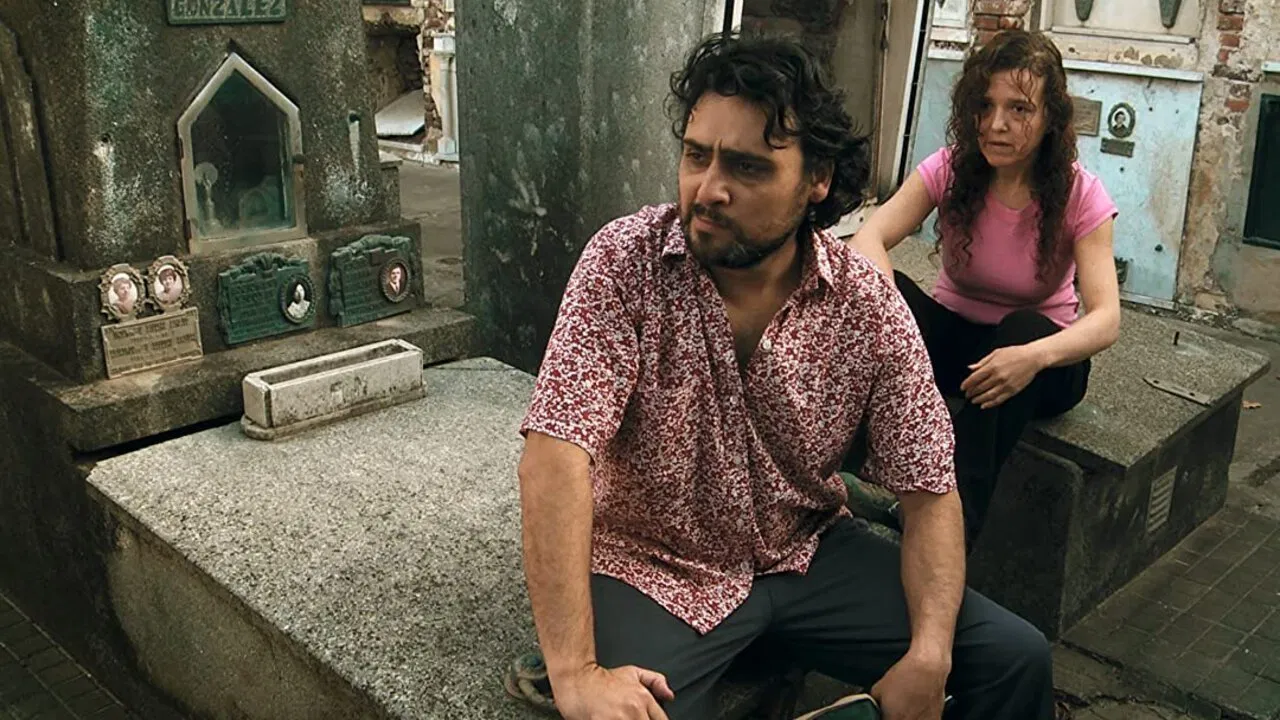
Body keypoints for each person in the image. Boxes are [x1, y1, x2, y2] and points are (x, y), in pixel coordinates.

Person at [518, 34, 1055, 720]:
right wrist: (574, 670)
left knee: (1016, 657)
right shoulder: (626, 263)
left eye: (747, 167)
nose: (709, 190)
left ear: (817, 179)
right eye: (696, 155)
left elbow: (929, 490)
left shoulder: (864, 303)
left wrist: (928, 654)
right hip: (653, 563)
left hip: (806, 554)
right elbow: (554, 456)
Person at [849, 29, 1120, 549]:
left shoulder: (1082, 194)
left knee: (1022, 329)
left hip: (1043, 363)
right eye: (986, 105)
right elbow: (869, 236)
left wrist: (1032, 357)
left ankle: (947, 534)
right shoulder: (951, 168)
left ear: (1050, 117)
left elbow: (1106, 318)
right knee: (886, 291)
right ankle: (836, 484)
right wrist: (889, 316)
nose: (997, 124)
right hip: (960, 346)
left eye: (1019, 109)